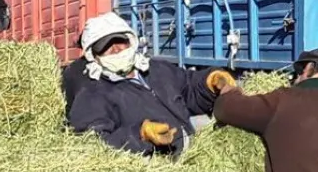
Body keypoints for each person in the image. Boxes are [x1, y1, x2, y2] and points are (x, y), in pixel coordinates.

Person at [68, 11, 235, 155]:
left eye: (119, 41)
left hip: (193, 154)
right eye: (106, 46)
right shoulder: (92, 94)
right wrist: (140, 134)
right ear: (94, 56)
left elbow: (189, 87)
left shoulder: (157, 69)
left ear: (130, 41)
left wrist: (210, 81)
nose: (116, 49)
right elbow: (93, 143)